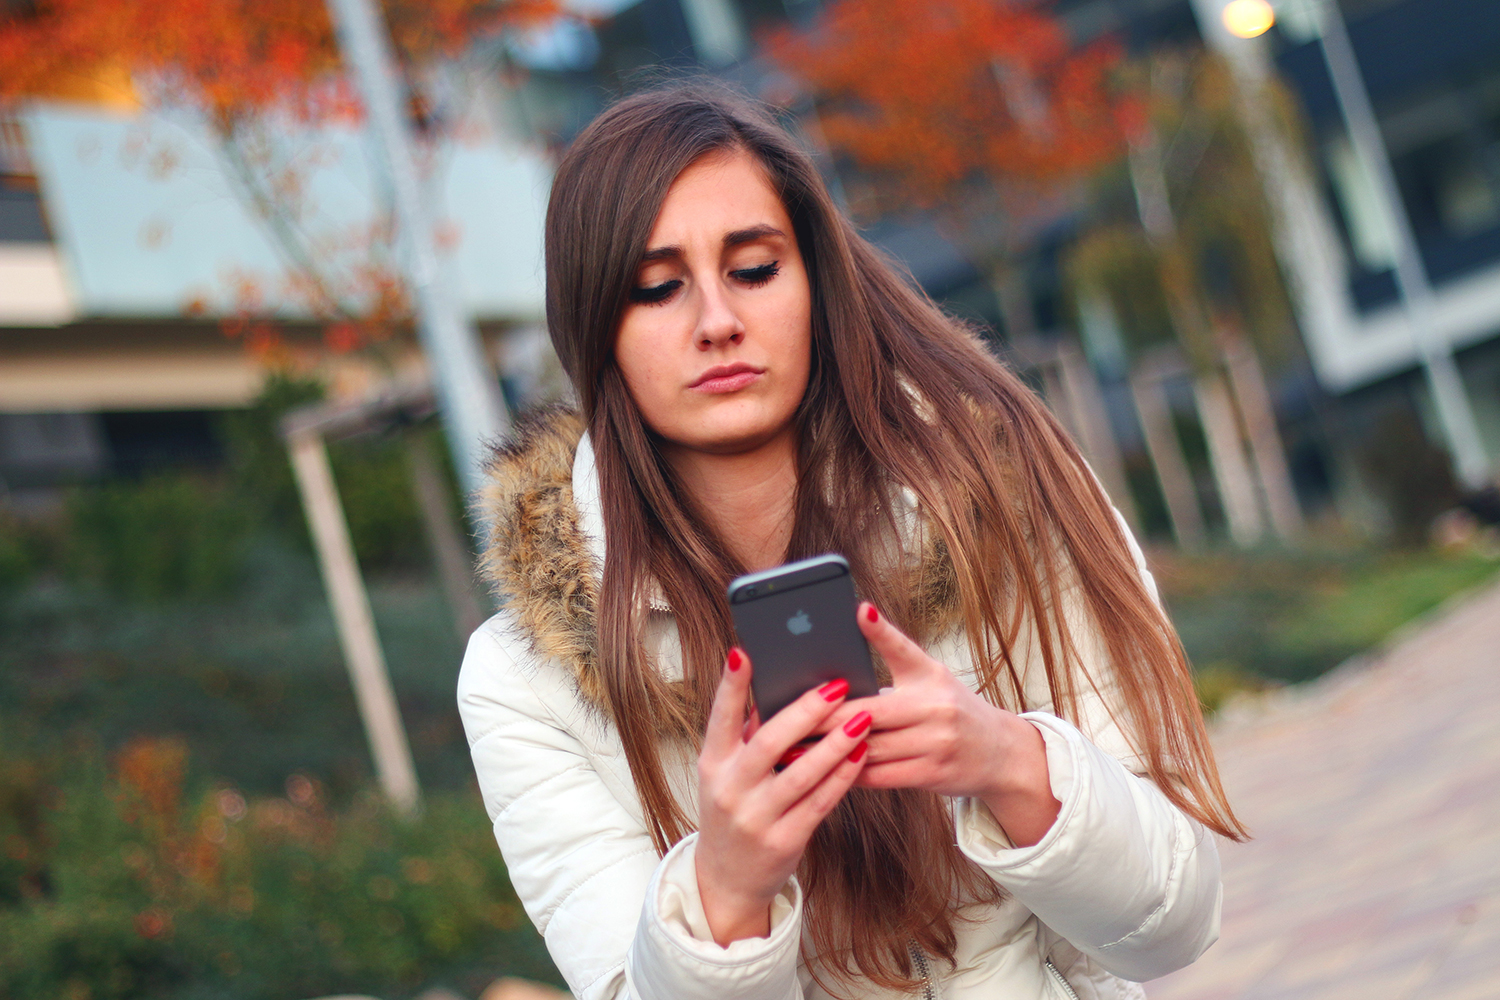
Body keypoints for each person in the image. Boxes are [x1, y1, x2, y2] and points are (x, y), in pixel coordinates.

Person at [458, 82, 1244, 1000]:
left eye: (753, 269)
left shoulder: (1003, 493)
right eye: (658, 287)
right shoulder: (525, 683)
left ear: (814, 281)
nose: (717, 321)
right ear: (594, 325)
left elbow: (1176, 925)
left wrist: (1009, 764)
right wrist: (723, 893)